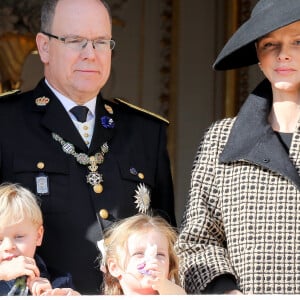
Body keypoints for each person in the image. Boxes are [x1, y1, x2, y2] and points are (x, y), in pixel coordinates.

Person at [0, 0, 176, 295]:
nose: (90, 54)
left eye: (100, 42)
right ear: (44, 47)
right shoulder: (7, 122)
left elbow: (167, 240)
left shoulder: (145, 132)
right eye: (75, 41)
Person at [175, 0, 300, 295]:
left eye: (298, 41)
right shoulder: (221, 139)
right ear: (258, 54)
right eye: (271, 44)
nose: (283, 55)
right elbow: (196, 241)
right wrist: (225, 293)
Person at [0, 182, 79, 296]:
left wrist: (52, 296)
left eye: (19, 236)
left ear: (38, 236)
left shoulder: (59, 281)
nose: (8, 246)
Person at [98, 214, 185, 295]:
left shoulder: (174, 293)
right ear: (114, 267)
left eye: (160, 254)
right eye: (139, 254)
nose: (152, 259)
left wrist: (163, 284)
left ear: (169, 266)